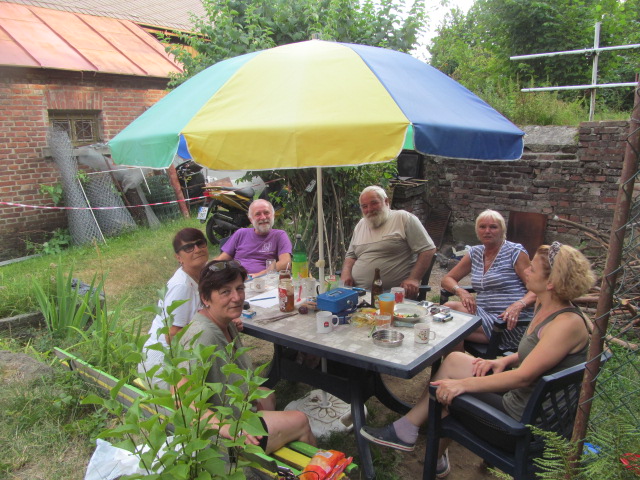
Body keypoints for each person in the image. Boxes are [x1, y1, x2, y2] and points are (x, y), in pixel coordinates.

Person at [360, 242, 595, 477]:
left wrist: (462, 385)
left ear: (551, 282)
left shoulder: (566, 324)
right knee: (454, 360)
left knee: (445, 392)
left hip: (523, 425)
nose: (526, 271)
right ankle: (411, 431)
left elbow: (523, 377)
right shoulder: (548, 307)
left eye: (532, 269)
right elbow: (541, 352)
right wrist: (504, 360)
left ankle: (426, 451)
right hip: (525, 400)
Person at [177, 259, 316, 454]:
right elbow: (181, 397)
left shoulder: (224, 322)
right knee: (300, 421)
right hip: (224, 434)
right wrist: (226, 428)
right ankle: (313, 466)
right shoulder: (201, 336)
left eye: (239, 288)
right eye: (225, 292)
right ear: (206, 298)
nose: (236, 297)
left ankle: (273, 445)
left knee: (267, 396)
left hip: (237, 410)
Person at [441, 210, 536, 350]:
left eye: (493, 227)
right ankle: (456, 362)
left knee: (450, 323)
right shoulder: (475, 252)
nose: (487, 231)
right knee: (445, 313)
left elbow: (536, 289)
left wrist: (519, 305)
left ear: (502, 230)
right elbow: (447, 279)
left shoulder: (515, 251)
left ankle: (454, 363)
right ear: (477, 231)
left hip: (508, 321)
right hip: (483, 314)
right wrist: (461, 291)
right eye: (482, 227)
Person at [138, 228, 209, 386]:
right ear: (178, 257)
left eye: (200, 243)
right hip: (163, 364)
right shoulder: (182, 286)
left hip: (180, 357)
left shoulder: (201, 275)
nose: (197, 249)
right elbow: (172, 335)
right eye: (188, 247)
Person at [341, 186, 436, 299]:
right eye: (364, 206)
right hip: (358, 294)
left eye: (374, 203)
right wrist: (346, 273)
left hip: (392, 296)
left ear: (386, 201)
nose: (369, 209)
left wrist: (414, 279)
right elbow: (351, 255)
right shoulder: (361, 225)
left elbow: (428, 249)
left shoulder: (402, 218)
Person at [214, 199, 292, 276]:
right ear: (251, 219)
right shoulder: (241, 233)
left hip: (263, 280)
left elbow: (286, 263)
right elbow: (222, 259)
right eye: (258, 214)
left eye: (266, 213)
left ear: (273, 215)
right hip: (236, 278)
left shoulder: (279, 235)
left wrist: (258, 275)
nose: (263, 217)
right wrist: (209, 268)